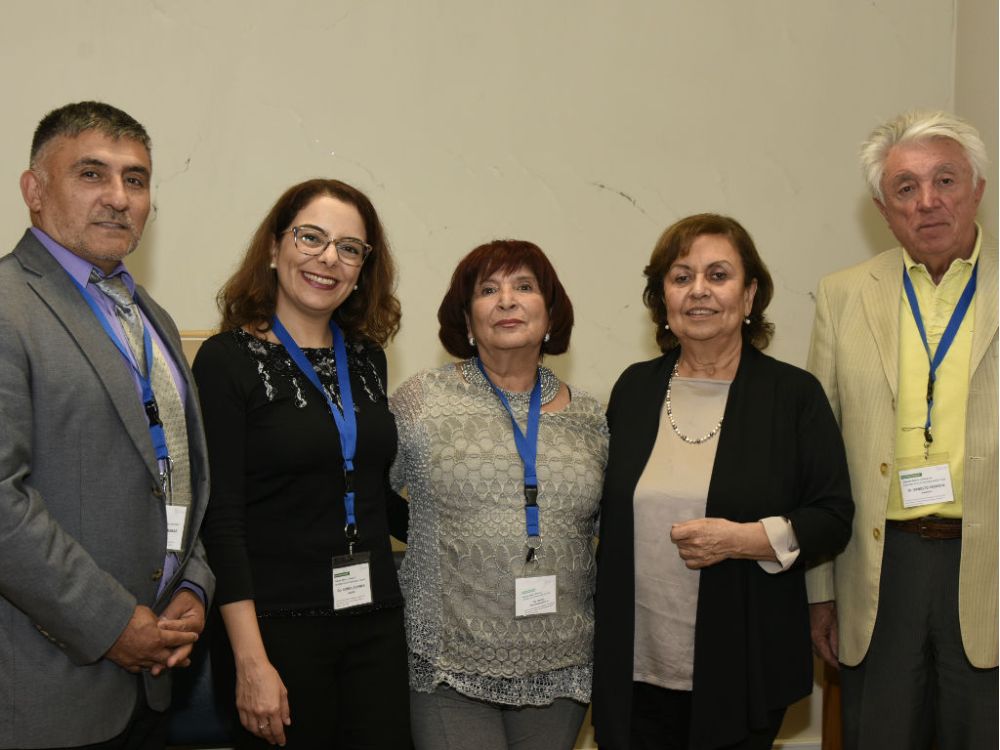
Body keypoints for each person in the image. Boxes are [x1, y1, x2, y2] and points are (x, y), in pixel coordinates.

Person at [592, 214, 854, 750]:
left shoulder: (792, 396)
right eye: (681, 277)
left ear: (750, 294)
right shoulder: (635, 389)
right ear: (662, 297)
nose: (699, 292)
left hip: (742, 665)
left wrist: (743, 540)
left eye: (718, 275)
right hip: (635, 664)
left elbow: (832, 515)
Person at [0, 101, 214, 749]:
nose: (119, 197)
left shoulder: (153, 318)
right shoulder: (9, 307)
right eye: (92, 174)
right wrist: (113, 624)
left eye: (137, 179)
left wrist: (195, 587)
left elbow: (176, 477)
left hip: (154, 682)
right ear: (34, 190)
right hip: (49, 687)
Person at [192, 178, 409, 748]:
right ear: (273, 247)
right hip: (277, 631)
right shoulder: (226, 361)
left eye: (349, 247)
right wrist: (250, 661)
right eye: (310, 237)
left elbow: (368, 488)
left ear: (363, 268)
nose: (327, 258)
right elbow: (222, 520)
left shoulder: (367, 358)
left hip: (375, 621)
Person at [806, 111, 997, 749]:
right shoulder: (842, 295)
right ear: (882, 210)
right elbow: (819, 458)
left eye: (945, 180)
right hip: (878, 572)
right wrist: (820, 590)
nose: (928, 201)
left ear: (978, 189)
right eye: (906, 189)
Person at [390, 239, 608, 750]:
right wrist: (434, 533)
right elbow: (364, 493)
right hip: (448, 662)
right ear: (467, 321)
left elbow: (603, 528)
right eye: (488, 290)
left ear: (550, 313)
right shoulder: (422, 400)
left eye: (524, 287)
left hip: (562, 661)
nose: (507, 300)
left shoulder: (592, 418)